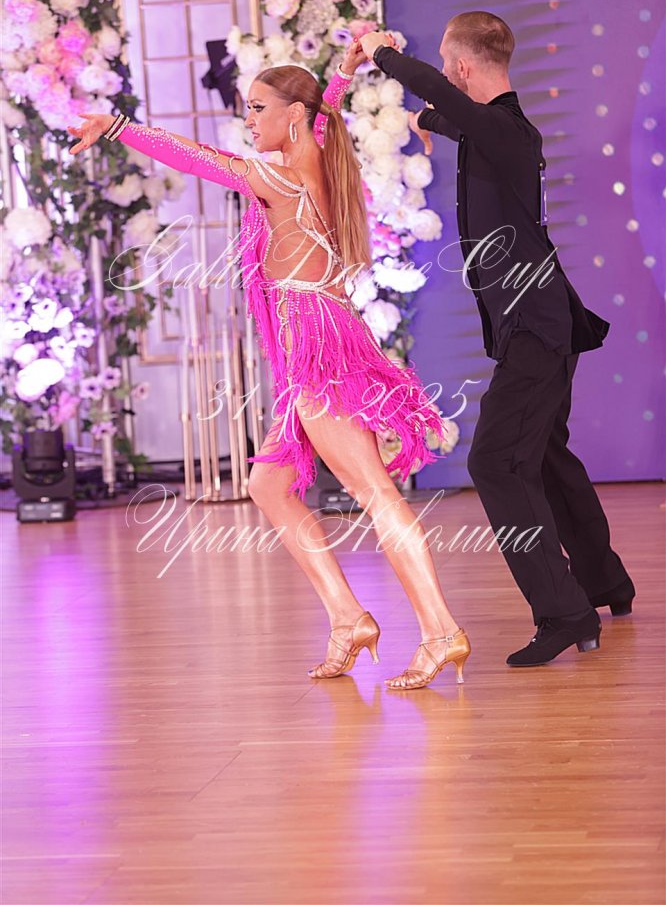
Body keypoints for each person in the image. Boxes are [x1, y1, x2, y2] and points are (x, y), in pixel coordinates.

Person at [67, 41, 471, 690]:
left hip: (318, 348)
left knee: (374, 492)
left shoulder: (281, 178)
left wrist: (118, 126)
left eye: (258, 108)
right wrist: (342, 70)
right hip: (307, 345)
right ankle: (348, 619)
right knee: (268, 487)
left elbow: (197, 158)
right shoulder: (317, 153)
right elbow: (326, 108)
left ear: (292, 115)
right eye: (246, 108)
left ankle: (441, 629)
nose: (248, 120)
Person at [359, 13, 635, 668]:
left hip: (536, 327)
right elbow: (453, 117)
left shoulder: (502, 129)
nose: (443, 76)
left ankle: (564, 611)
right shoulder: (501, 130)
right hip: (541, 322)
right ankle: (603, 583)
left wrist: (380, 55)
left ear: (460, 67)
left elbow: (448, 103)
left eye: (445, 65)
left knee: (496, 463)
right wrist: (426, 121)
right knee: (544, 455)